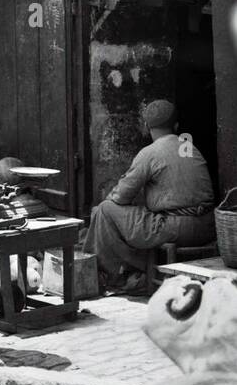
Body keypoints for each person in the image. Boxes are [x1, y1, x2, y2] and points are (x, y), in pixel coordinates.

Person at [85, 100, 217, 294]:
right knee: (122, 212)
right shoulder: (189, 147)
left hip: (177, 228)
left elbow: (120, 197)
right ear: (177, 126)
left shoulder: (149, 153)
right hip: (207, 226)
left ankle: (119, 276)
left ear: (147, 127)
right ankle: (135, 270)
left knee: (104, 209)